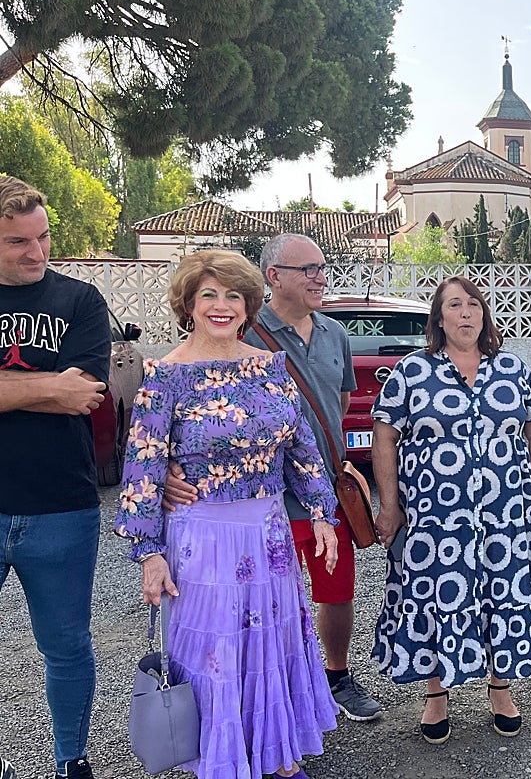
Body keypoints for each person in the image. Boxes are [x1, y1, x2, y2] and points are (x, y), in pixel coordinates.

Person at [114, 250, 340, 779]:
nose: (222, 306)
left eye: (233, 295)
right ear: (188, 304)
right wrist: (147, 554)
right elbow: (142, 467)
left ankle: (279, 758)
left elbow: (300, 445)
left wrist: (322, 513)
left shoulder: (270, 366)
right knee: (216, 654)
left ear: (248, 305)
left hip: (268, 536)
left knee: (274, 642)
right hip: (202, 539)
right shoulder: (163, 377)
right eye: (209, 295)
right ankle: (224, 763)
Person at [163, 234, 383, 723]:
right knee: (250, 609)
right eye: (306, 269)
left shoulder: (335, 335)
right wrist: (168, 472)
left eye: (322, 266)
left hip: (319, 489)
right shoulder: (245, 336)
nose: (319, 276)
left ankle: (335, 675)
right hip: (256, 501)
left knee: (332, 589)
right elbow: (168, 430)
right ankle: (247, 711)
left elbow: (340, 407)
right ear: (274, 277)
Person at [372, 276, 531, 743]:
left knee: (502, 592)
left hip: (504, 512)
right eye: (455, 305)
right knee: (439, 595)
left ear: (484, 314)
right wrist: (389, 506)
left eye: (474, 304)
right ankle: (436, 694)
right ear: (439, 316)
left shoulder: (513, 370)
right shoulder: (412, 372)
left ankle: (500, 687)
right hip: (435, 516)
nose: (466, 313)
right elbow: (385, 438)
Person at [0, 176, 109, 779]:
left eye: (43, 237)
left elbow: (85, 396)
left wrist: (14, 393)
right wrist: (48, 384)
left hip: (63, 506)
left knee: (67, 647)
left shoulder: (81, 300)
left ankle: (73, 759)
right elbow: (62, 390)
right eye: (19, 241)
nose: (37, 251)